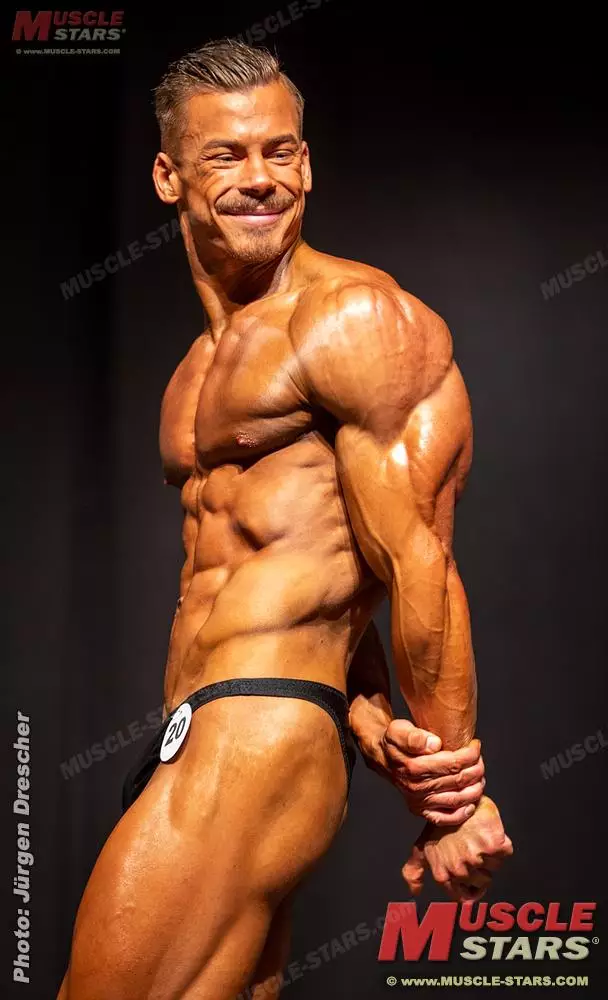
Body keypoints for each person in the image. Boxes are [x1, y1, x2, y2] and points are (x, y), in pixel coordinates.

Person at [57, 38, 512, 1000]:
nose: (261, 178)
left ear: (307, 163)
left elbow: (418, 562)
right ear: (169, 177)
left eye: (281, 152)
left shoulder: (355, 319)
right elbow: (321, 576)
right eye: (227, 156)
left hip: (257, 732)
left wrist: (452, 798)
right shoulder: (192, 373)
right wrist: (369, 714)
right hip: (215, 726)